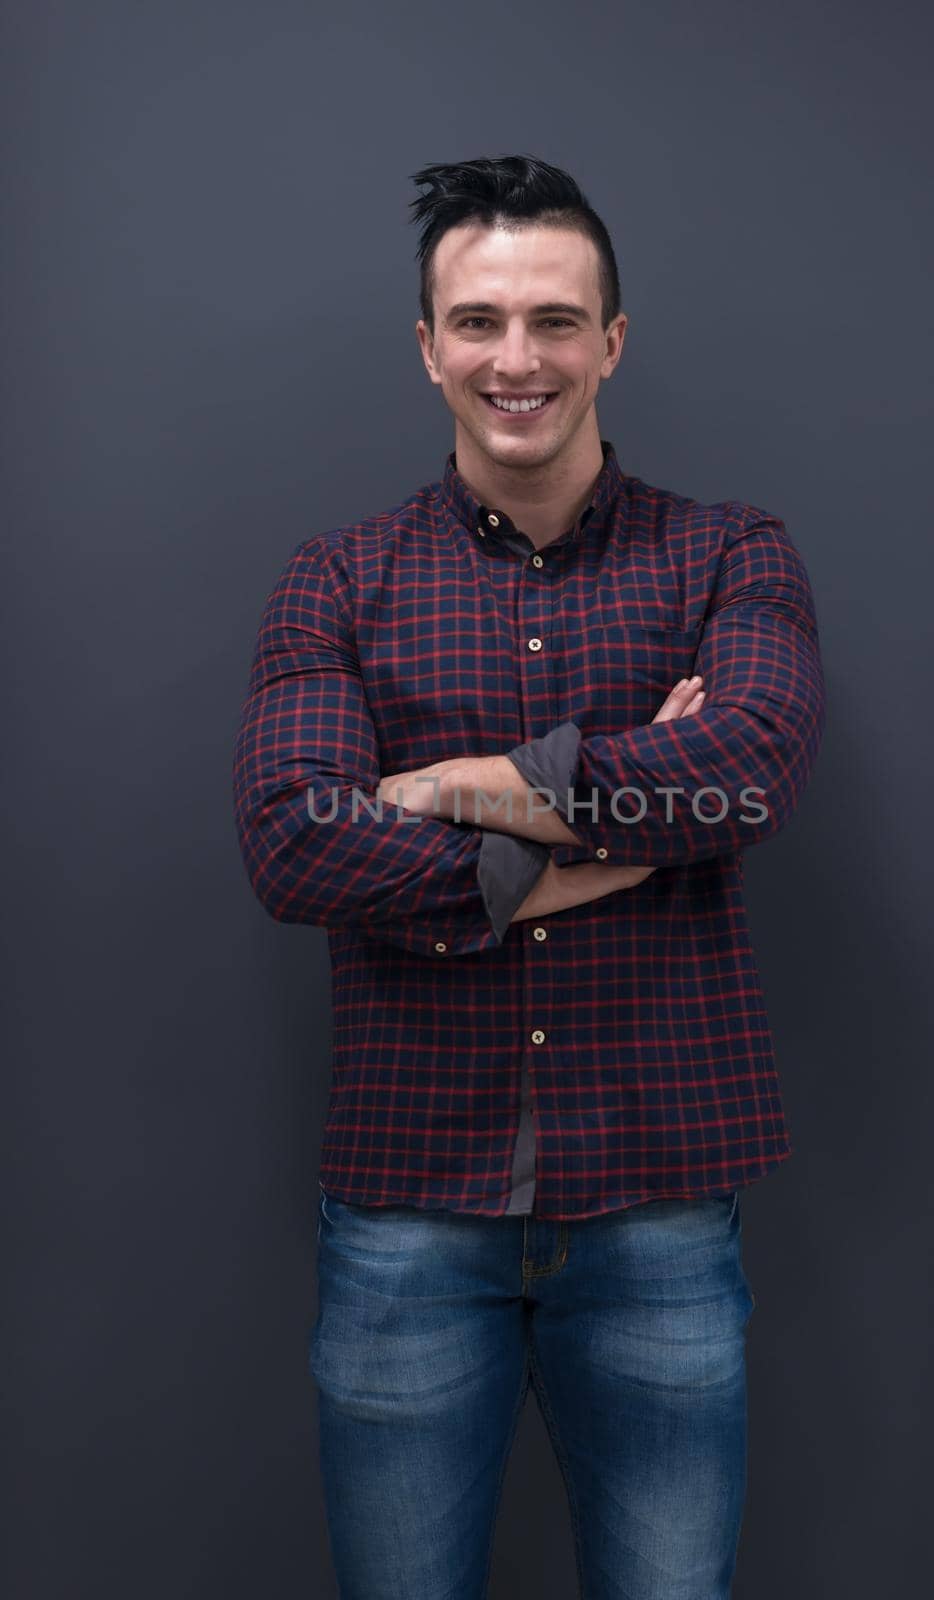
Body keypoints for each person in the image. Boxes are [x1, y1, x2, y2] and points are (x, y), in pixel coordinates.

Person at [231, 153, 826, 1600]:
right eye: (480, 320)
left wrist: (442, 794)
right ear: (429, 346)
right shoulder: (339, 578)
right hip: (407, 1204)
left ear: (611, 342)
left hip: (661, 1200)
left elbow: (752, 766)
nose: (519, 357)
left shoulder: (730, 553)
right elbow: (294, 841)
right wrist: (628, 837)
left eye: (556, 320)